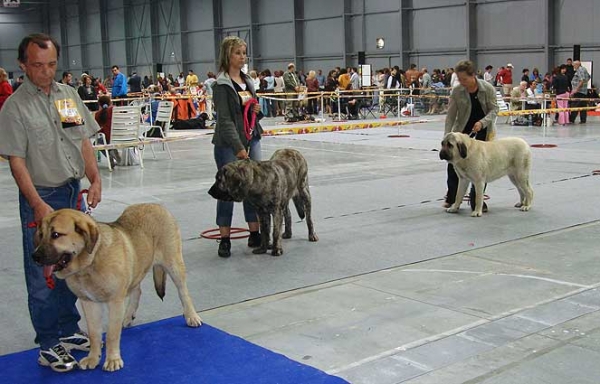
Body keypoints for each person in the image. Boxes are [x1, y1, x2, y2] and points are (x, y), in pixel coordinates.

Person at [0, 33, 102, 372]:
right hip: (42, 198)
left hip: (72, 194)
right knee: (43, 273)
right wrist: (37, 204)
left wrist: (95, 178)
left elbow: (82, 142)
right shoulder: (15, 108)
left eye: (52, 65)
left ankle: (67, 329)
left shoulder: (67, 97)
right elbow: (17, 162)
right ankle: (48, 343)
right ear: (23, 65)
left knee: (70, 266)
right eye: (39, 66)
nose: (46, 72)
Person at [211, 35, 264, 258]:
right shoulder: (221, 85)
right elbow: (224, 121)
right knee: (228, 190)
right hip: (228, 145)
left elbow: (254, 114)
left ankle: (255, 232)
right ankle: (225, 238)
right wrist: (238, 148)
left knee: (253, 187)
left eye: (244, 53)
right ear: (227, 56)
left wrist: (258, 111)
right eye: (238, 53)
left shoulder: (248, 82)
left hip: (253, 140)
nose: (242, 57)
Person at [443, 60, 498, 211]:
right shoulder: (457, 91)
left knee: (481, 167)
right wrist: (446, 137)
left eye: (464, 79)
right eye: (459, 79)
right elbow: (451, 115)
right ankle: (452, 198)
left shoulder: (487, 89)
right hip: (462, 130)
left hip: (483, 129)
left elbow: (494, 110)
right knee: (453, 163)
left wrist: (482, 122)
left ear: (473, 75)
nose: (461, 82)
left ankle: (476, 201)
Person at [94, 95, 122, 168]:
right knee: (108, 139)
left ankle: (110, 155)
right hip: (124, 136)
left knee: (97, 142)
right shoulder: (116, 110)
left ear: (99, 104)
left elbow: (97, 129)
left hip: (109, 138)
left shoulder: (98, 114)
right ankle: (113, 152)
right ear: (110, 102)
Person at [569, 60, 591, 124]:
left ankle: (571, 120)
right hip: (584, 91)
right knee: (583, 107)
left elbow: (581, 80)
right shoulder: (584, 69)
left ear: (577, 65)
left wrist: (576, 89)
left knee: (575, 106)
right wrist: (585, 84)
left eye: (574, 65)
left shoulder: (580, 70)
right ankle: (583, 120)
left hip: (579, 91)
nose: (574, 67)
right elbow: (588, 77)